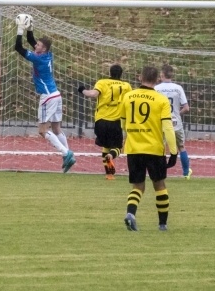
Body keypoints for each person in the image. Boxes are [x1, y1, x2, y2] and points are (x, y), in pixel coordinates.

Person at [14, 13, 76, 173]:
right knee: (56, 129)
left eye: (39, 46)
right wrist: (31, 28)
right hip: (56, 94)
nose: (36, 46)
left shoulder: (38, 58)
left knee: (42, 130)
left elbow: (18, 48)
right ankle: (68, 156)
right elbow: (32, 41)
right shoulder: (47, 55)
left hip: (48, 96)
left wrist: (20, 29)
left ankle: (66, 152)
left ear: (44, 49)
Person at [121, 66, 177, 232]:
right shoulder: (161, 100)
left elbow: (123, 123)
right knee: (159, 185)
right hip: (154, 148)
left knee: (138, 186)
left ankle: (131, 214)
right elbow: (167, 127)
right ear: (157, 80)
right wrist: (173, 151)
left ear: (140, 77)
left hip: (133, 148)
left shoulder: (128, 96)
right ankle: (162, 224)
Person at [78, 64, 132, 180]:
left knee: (106, 146)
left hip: (100, 120)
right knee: (117, 147)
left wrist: (82, 90)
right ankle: (111, 156)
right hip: (116, 121)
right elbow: (130, 101)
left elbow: (93, 94)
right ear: (121, 74)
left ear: (110, 73)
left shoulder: (102, 82)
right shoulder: (126, 85)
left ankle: (109, 174)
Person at [154, 64, 193, 179]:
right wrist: (176, 114)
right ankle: (186, 173)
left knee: (161, 148)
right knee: (181, 147)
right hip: (175, 122)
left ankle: (159, 172)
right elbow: (186, 108)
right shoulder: (178, 88)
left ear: (161, 75)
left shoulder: (156, 89)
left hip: (161, 122)